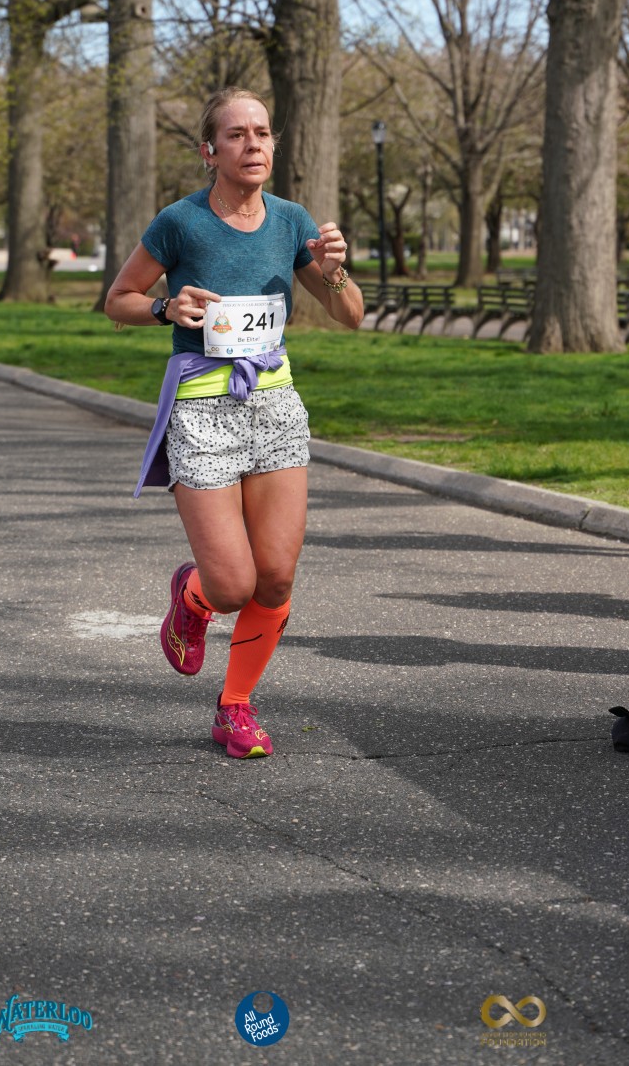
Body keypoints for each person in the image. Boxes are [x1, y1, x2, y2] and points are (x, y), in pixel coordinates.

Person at [104, 87, 364, 756]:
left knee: (274, 577)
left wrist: (334, 273)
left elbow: (350, 315)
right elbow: (118, 298)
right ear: (209, 150)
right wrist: (164, 308)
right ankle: (191, 597)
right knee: (230, 584)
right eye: (237, 134)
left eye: (263, 132)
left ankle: (236, 705)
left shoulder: (291, 222)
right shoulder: (181, 222)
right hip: (203, 411)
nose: (253, 144)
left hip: (275, 408)